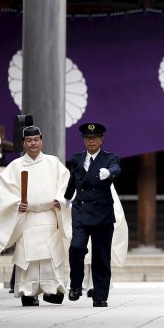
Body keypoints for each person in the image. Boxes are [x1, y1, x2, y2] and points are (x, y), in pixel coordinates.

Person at [0, 125, 71, 307]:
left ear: (41, 140)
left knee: (51, 253)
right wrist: (17, 203)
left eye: (36, 139)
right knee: (28, 255)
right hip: (27, 216)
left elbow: (65, 184)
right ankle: (29, 291)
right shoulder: (15, 167)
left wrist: (59, 199)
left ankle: (52, 290)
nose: (33, 143)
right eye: (29, 140)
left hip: (49, 213)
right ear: (24, 143)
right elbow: (6, 192)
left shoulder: (54, 162)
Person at [64, 122, 121, 307]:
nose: (91, 141)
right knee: (77, 248)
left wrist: (109, 173)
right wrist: (66, 197)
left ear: (101, 139)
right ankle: (75, 284)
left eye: (94, 138)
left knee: (101, 256)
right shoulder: (77, 158)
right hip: (80, 210)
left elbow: (116, 168)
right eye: (88, 138)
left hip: (102, 213)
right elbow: (73, 179)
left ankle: (100, 295)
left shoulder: (109, 158)